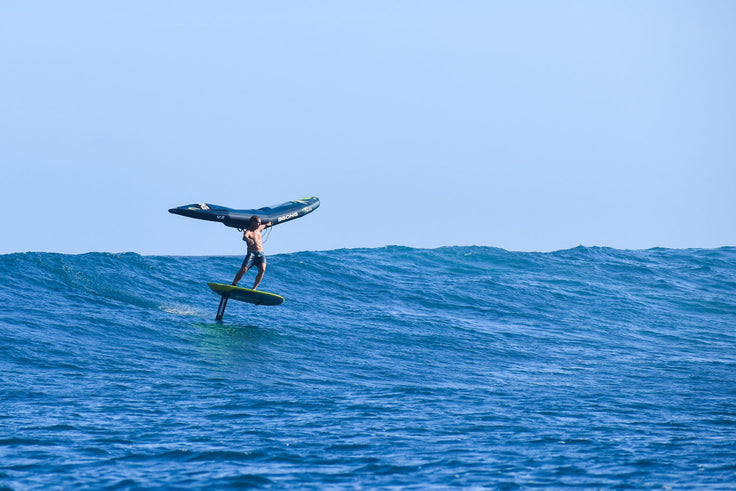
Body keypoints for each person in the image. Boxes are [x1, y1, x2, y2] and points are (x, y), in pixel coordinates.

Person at [232, 215, 272, 290]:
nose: (259, 224)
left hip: (261, 254)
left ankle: (254, 288)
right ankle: (234, 284)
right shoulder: (248, 231)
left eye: (260, 223)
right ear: (252, 222)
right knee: (243, 269)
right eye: (257, 222)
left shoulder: (259, 228)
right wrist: (248, 240)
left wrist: (269, 224)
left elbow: (266, 225)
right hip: (252, 254)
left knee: (262, 270)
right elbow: (244, 237)